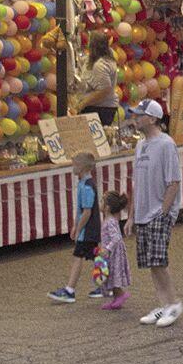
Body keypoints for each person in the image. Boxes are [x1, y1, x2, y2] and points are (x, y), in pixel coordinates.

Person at [129, 98, 183, 327]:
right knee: (151, 261)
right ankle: (163, 304)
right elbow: (136, 183)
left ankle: (173, 303)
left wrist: (164, 211)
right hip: (143, 212)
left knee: (159, 259)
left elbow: (173, 181)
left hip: (158, 212)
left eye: (139, 115)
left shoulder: (166, 144)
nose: (135, 118)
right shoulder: (140, 146)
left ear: (152, 118)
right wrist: (131, 215)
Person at [48, 152, 102, 303]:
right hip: (90, 228)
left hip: (87, 229)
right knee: (96, 256)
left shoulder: (86, 186)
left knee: (79, 256)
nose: (72, 167)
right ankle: (105, 285)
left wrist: (78, 228)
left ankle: (70, 289)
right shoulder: (85, 184)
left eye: (75, 165)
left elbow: (86, 211)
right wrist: (75, 226)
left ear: (82, 168)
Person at [75, 32, 120, 128]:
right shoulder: (104, 58)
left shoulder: (100, 65)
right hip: (100, 106)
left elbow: (104, 90)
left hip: (100, 108)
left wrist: (82, 104)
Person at [98, 191, 131, 310]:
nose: (99, 203)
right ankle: (116, 298)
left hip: (114, 254)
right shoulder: (109, 220)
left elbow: (116, 237)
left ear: (107, 208)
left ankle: (121, 295)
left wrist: (107, 249)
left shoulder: (110, 221)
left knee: (112, 274)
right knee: (109, 275)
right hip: (110, 253)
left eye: (102, 201)